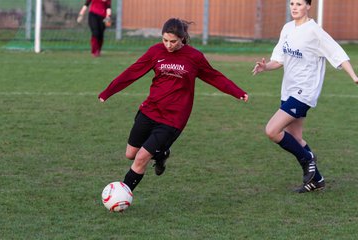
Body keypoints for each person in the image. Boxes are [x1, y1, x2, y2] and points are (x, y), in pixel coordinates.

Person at [98, 18, 249, 192]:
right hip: (150, 110)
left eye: (173, 41)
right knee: (130, 154)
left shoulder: (194, 57)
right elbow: (132, 72)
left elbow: (214, 76)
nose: (168, 45)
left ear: (182, 38)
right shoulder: (155, 52)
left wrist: (237, 92)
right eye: (165, 40)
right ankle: (161, 154)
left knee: (140, 158)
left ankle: (122, 194)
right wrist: (108, 92)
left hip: (172, 119)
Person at [252, 0, 358, 193]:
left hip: (305, 91)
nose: (294, 7)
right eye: (292, 3)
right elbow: (279, 60)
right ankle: (317, 180)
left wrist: (354, 77)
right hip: (288, 90)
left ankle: (307, 159)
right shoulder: (287, 28)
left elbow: (338, 54)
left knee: (272, 130)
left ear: (308, 6)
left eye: (299, 3)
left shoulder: (314, 31)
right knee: (296, 137)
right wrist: (265, 67)